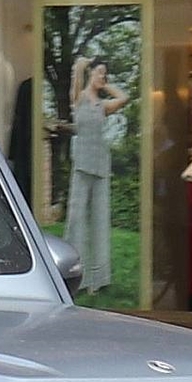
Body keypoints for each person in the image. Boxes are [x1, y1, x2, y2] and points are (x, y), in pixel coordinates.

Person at [65, 57, 127, 295]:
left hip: (101, 164)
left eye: (105, 75)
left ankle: (98, 279)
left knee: (100, 219)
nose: (103, 77)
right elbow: (77, 76)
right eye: (100, 73)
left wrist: (105, 84)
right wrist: (85, 66)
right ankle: (75, 274)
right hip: (82, 164)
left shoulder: (103, 106)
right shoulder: (79, 98)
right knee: (77, 217)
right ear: (91, 74)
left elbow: (123, 98)